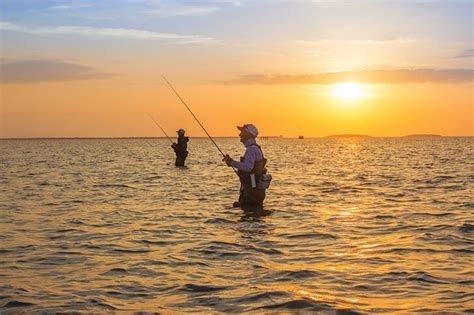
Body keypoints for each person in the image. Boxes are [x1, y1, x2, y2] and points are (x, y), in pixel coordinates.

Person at [224, 124, 268, 209]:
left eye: (242, 132)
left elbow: (248, 167)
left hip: (251, 194)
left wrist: (231, 162)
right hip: (255, 193)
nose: (239, 135)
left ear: (248, 135)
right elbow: (251, 172)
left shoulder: (251, 149)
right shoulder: (255, 148)